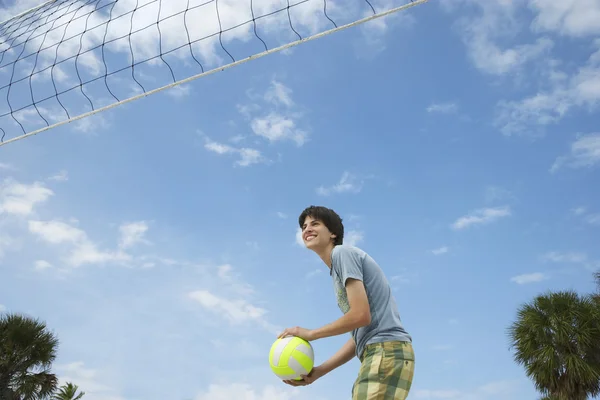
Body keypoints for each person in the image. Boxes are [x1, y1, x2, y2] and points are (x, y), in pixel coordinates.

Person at [277, 205, 415, 400]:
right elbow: (359, 333)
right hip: (379, 352)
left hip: (385, 351)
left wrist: (311, 334)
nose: (307, 229)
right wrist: (320, 371)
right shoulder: (337, 270)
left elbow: (360, 315)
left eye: (314, 224)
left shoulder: (342, 254)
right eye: (304, 226)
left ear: (333, 233)